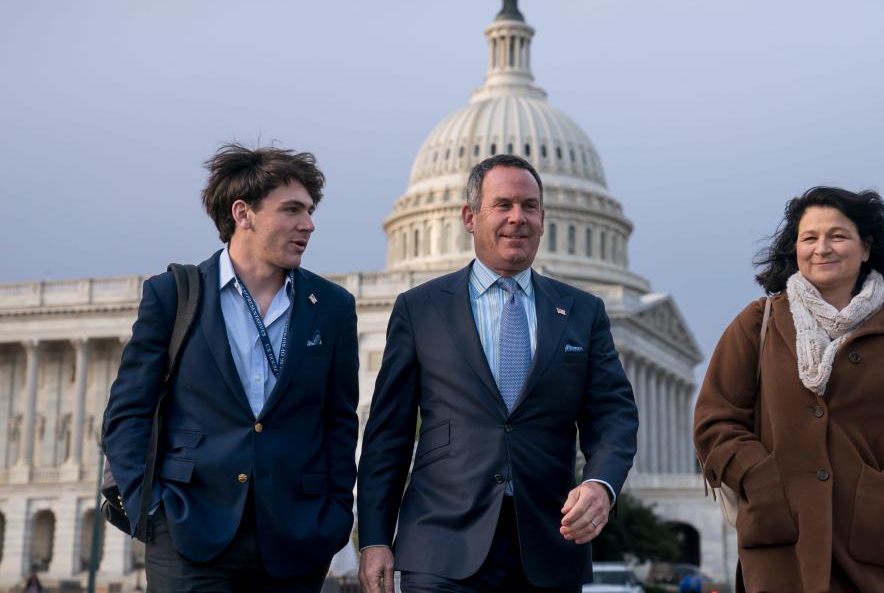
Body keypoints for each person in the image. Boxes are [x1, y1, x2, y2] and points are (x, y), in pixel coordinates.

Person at [357, 155, 639, 592]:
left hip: (549, 541)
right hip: (441, 547)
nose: (517, 218)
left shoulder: (583, 312)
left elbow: (614, 416)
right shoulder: (421, 309)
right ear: (470, 217)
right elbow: (388, 436)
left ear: (544, 219)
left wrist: (601, 484)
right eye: (503, 204)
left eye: (529, 206)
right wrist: (374, 538)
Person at [103, 144, 360, 592]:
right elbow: (127, 414)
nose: (309, 224)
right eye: (292, 210)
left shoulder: (333, 307)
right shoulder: (174, 296)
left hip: (295, 538)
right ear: (243, 213)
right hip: (188, 532)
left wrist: (335, 514)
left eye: (311, 210)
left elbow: (339, 421)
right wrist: (151, 510)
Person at [694, 187, 884, 593]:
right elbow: (716, 419)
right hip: (784, 547)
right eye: (809, 237)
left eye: (837, 236)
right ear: (795, 248)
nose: (823, 248)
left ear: (866, 248)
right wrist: (763, 482)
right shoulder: (756, 324)